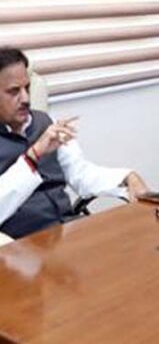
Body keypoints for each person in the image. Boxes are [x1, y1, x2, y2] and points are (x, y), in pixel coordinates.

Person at [0, 47, 149, 239]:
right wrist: (34, 155)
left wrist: (127, 177)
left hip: (67, 231)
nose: (26, 99)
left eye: (27, 88)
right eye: (14, 91)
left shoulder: (45, 123)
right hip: (21, 245)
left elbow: (81, 173)